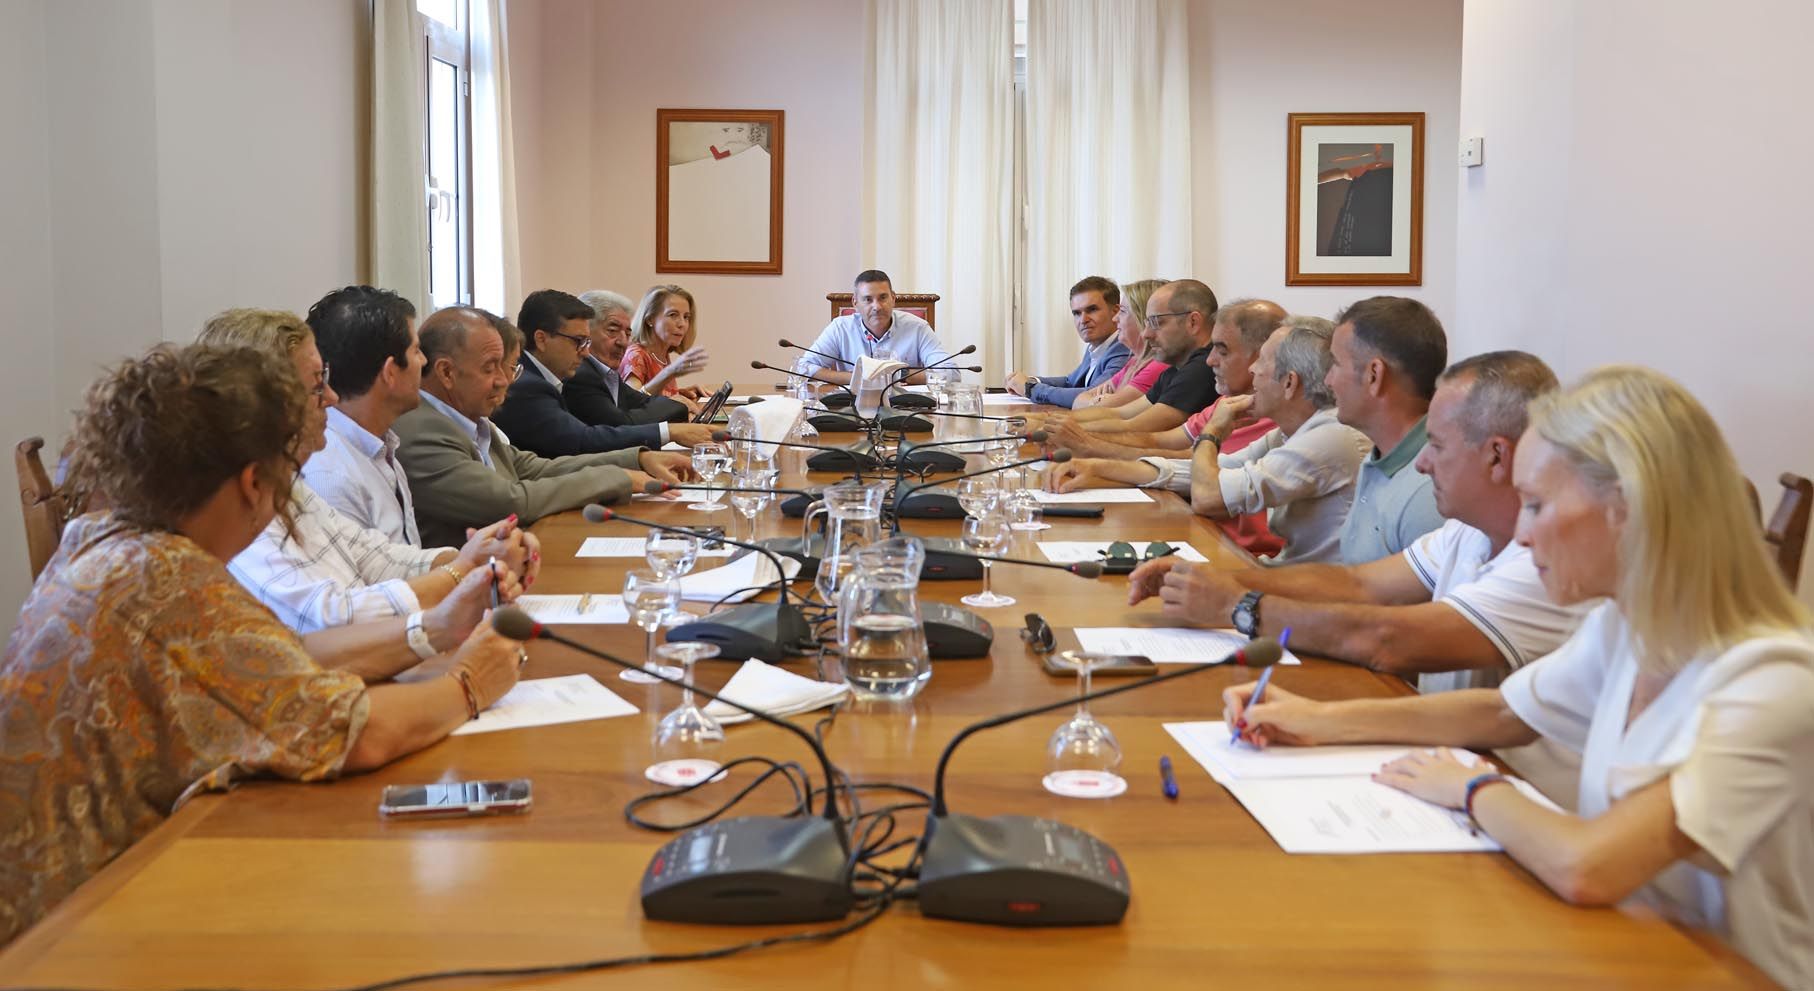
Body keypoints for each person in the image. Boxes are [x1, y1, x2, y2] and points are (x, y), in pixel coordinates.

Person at [1222, 366, 1814, 990]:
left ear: (1628, 508)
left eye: (1537, 504)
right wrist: (1316, 721)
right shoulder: (1626, 628)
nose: (1523, 533)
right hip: (1619, 947)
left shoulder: (1772, 679)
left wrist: (1474, 788)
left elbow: (1590, 865)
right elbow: (1502, 712)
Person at [0, 344, 523, 947]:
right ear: (253, 483)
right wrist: (471, 683)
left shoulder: (105, 541)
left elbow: (274, 665)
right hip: (82, 937)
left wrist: (433, 632)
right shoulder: (166, 581)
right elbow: (356, 732)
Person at [1131, 349, 1591, 695]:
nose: (1424, 463)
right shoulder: (1467, 529)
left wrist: (1238, 606)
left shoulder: (1543, 559)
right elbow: (1358, 585)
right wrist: (1214, 580)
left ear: (1495, 455)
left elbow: (1389, 639)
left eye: (1438, 446)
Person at [201, 309, 535, 658]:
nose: (330, 398)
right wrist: (463, 574)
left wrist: (477, 558)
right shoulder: (241, 500)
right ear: (262, 402)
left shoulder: (287, 484)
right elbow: (327, 622)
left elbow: (373, 556)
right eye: (316, 385)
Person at [1050, 318, 1371, 565]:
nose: (1253, 369)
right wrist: (1100, 468)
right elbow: (1201, 471)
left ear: (1289, 383)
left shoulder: (1328, 437)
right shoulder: (1290, 431)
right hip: (1283, 574)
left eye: (1262, 362)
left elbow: (1208, 495)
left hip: (1311, 593)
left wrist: (1211, 435)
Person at [395, 307, 697, 549]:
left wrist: (639, 459)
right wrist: (617, 477)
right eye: (490, 368)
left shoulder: (467, 416)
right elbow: (509, 501)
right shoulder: (423, 431)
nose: (504, 381)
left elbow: (533, 468)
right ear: (446, 372)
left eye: (507, 367)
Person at [1046, 297, 1286, 457]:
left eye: (1156, 323)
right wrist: (1063, 431)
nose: (1211, 359)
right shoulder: (1222, 397)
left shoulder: (1200, 374)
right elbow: (1159, 441)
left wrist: (1087, 444)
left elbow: (1189, 460)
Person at [491, 289, 716, 457]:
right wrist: (669, 432)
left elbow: (633, 401)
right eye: (579, 342)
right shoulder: (528, 385)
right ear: (541, 339)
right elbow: (583, 440)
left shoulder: (547, 377)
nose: (585, 351)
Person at [1323, 295, 1449, 563]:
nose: (1328, 380)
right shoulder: (1380, 456)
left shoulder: (1430, 492)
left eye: (1335, 364)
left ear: (1374, 375)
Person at [301, 285, 429, 544]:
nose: (424, 361)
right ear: (390, 372)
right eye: (416, 350)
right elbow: (362, 581)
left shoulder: (379, 445)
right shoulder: (331, 478)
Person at [1045, 280, 1226, 436]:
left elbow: (1134, 428)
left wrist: (1045, 426)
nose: (1146, 333)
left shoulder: (1201, 368)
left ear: (1193, 322)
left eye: (1156, 322)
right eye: (1146, 323)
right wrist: (1039, 422)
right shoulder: (1175, 369)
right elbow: (1120, 414)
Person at [792, 269, 952, 385]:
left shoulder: (918, 327)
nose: (877, 307)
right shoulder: (840, 328)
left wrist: (898, 374)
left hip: (905, 410)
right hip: (851, 407)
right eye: (868, 299)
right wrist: (857, 378)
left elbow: (950, 372)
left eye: (883, 298)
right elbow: (803, 368)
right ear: (855, 303)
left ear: (893, 298)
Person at [564, 289, 691, 428]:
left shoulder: (607, 374)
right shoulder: (580, 375)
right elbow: (622, 424)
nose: (623, 342)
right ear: (585, 332)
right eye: (612, 331)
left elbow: (644, 401)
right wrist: (678, 405)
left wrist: (678, 404)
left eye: (627, 333)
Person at [1004, 276, 1131, 407]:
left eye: (1092, 310)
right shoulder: (1097, 346)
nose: (1083, 320)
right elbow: (1070, 381)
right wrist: (1030, 381)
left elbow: (1091, 396)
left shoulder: (1124, 348)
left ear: (1115, 311)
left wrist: (1030, 389)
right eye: (1076, 313)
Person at [1071, 278, 1170, 410]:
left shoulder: (1157, 366)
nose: (1115, 318)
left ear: (1142, 318)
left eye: (1122, 311)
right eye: (1076, 313)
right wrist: (1099, 401)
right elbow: (1078, 400)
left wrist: (1098, 402)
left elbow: (1102, 412)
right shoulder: (1135, 361)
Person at [620, 284, 710, 406]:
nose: (682, 324)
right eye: (673, 315)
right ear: (649, 319)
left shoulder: (661, 353)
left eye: (686, 317)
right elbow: (633, 403)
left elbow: (656, 396)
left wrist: (680, 393)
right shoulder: (635, 355)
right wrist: (670, 372)